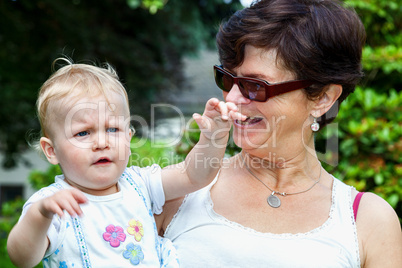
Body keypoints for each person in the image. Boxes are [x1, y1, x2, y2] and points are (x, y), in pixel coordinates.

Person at [156, 0, 402, 267]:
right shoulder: (178, 192)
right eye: (228, 79)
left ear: (323, 97)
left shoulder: (367, 220)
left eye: (255, 85)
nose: (233, 98)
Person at [6, 58, 245, 267]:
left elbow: (193, 176)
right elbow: (22, 258)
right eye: (83, 133)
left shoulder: (141, 184)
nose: (101, 142)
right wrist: (40, 215)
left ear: (129, 138)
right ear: (52, 150)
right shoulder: (52, 206)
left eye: (112, 129)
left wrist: (214, 137)